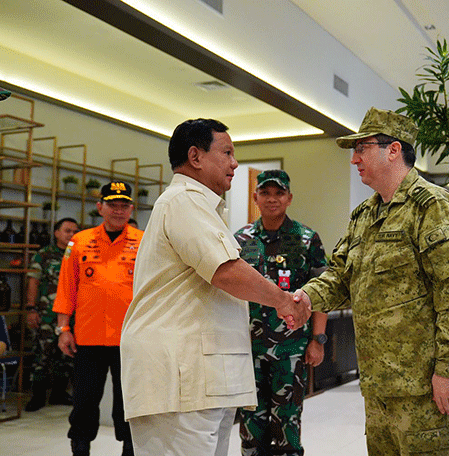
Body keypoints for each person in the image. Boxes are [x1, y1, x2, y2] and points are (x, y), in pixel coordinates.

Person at [293, 107, 449, 455]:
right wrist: (306, 298)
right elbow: (340, 277)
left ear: (393, 150)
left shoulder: (433, 207)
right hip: (379, 389)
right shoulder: (364, 216)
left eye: (361, 148)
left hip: (426, 391)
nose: (354, 160)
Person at [120, 119, 309, 456]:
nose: (235, 163)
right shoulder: (182, 201)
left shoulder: (203, 207)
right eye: (227, 152)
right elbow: (226, 271)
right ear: (195, 156)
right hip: (180, 381)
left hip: (201, 379)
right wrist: (282, 299)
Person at [234, 169, 328, 456]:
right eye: (265, 193)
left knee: (287, 427)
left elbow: (322, 291)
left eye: (279, 193)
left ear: (289, 198)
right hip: (249, 348)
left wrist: (318, 339)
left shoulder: (306, 239)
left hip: (292, 349)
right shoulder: (242, 240)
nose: (272, 199)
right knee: (251, 426)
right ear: (255, 197)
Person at [53, 181, 142, 456]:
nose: (118, 210)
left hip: (129, 338)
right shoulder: (79, 242)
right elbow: (67, 287)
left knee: (129, 401)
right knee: (84, 400)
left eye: (124, 205)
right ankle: (80, 447)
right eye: (112, 204)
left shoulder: (143, 241)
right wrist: (63, 328)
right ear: (99, 206)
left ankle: (130, 448)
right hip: (88, 337)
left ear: (131, 208)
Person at [24, 217, 80, 412]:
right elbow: (33, 281)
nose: (71, 235)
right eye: (67, 230)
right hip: (47, 313)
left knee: (67, 357)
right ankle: (37, 396)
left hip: (73, 315)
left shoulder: (79, 253)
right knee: (43, 355)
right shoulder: (44, 255)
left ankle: (59, 393)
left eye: (74, 231)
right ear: (56, 233)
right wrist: (31, 308)